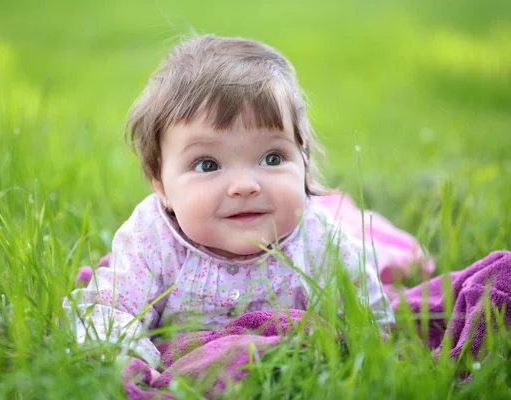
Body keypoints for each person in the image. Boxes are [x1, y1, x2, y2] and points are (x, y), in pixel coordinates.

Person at [63, 34, 394, 369]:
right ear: (162, 188)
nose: (245, 186)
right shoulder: (152, 241)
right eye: (208, 165)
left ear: (304, 162)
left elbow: (366, 312)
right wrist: (127, 362)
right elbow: (111, 310)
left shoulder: (319, 239)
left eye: (272, 158)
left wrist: (360, 347)